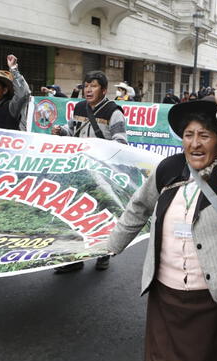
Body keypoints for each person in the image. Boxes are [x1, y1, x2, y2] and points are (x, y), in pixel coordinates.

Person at [107, 77, 217, 361]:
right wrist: (110, 246)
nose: (194, 143)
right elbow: (139, 207)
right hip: (165, 299)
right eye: (189, 135)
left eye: (205, 135)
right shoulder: (169, 169)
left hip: (213, 302)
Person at [51, 70, 127, 272]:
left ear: (103, 90)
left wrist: (97, 149)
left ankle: (103, 254)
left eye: (93, 86)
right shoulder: (79, 107)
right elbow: (71, 131)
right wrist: (61, 132)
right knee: (73, 214)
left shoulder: (113, 111)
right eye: (86, 85)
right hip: (77, 171)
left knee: (100, 213)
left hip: (100, 173)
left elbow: (121, 142)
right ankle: (74, 259)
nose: (88, 89)